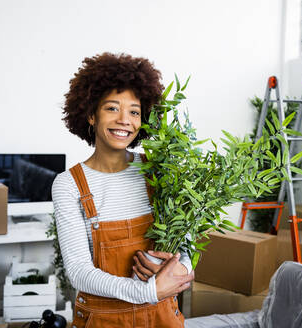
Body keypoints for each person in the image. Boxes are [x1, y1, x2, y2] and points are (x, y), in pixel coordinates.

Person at [52, 52, 195, 328]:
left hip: (162, 317)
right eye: (112, 108)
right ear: (91, 114)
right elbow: (80, 273)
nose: (124, 120)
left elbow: (187, 246)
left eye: (134, 111)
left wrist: (180, 271)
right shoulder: (68, 184)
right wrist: (149, 291)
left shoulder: (158, 171)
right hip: (103, 321)